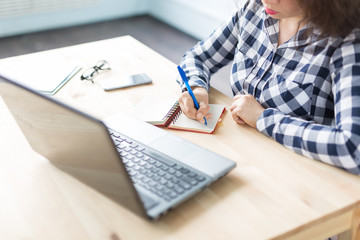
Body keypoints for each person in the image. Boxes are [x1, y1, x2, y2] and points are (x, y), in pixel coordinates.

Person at [177, 0, 360, 175]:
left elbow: (352, 148)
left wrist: (262, 118)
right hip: (239, 156)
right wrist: (196, 87)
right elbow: (197, 57)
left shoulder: (346, 43)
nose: (268, 1)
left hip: (299, 174)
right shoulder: (254, 10)